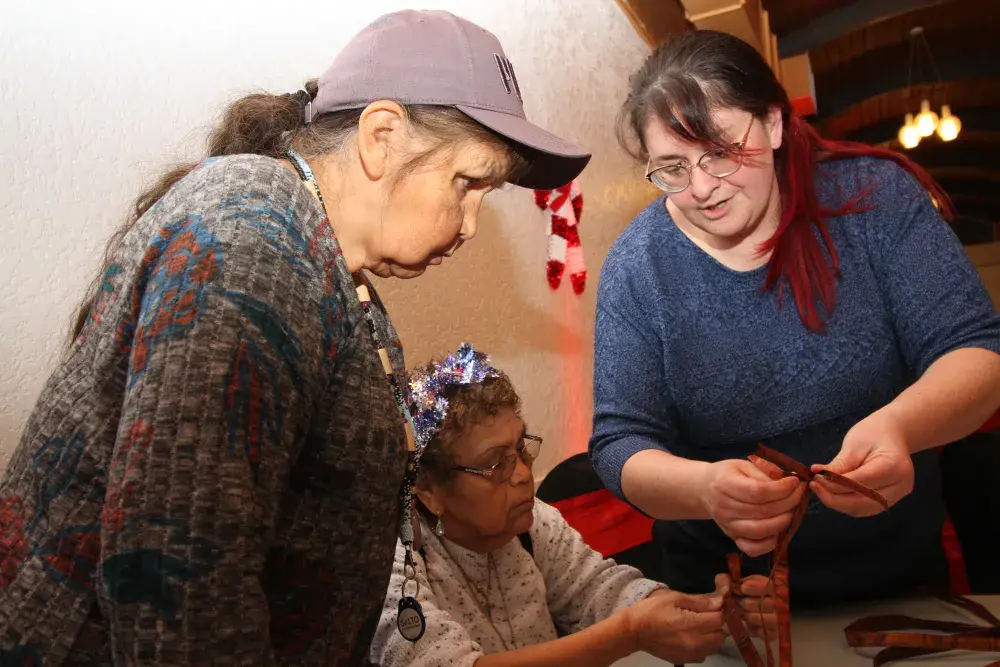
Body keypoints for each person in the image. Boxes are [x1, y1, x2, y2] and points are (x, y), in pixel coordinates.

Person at [0, 10, 591, 665]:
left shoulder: (319, 259)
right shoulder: (255, 246)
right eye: (468, 182)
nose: (471, 224)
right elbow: (182, 594)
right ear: (382, 135)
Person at [590, 30, 1000, 606]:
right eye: (672, 168)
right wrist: (706, 489)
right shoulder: (638, 268)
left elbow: (976, 351)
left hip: (899, 579)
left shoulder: (872, 198)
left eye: (721, 151)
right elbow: (619, 444)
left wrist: (902, 427)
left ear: (775, 123)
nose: (703, 188)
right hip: (730, 600)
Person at [370, 343, 775, 667]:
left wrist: (701, 611)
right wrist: (630, 632)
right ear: (428, 490)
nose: (524, 474)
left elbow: (599, 589)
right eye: (496, 463)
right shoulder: (390, 566)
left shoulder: (533, 525)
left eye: (522, 449)